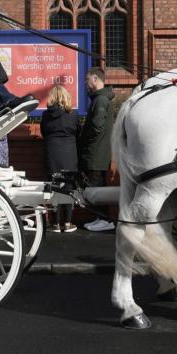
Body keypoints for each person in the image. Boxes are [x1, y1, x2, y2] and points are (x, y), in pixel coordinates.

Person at [79, 67, 116, 231]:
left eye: (87, 79)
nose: (86, 83)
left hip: (95, 153)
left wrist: (84, 140)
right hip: (98, 152)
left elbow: (96, 127)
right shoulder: (100, 99)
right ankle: (100, 218)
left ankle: (105, 220)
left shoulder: (100, 100)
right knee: (97, 186)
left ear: (95, 79)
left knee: (96, 188)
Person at [40, 85, 81, 232]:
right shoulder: (73, 115)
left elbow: (44, 132)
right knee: (68, 187)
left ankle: (55, 223)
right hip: (69, 153)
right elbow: (78, 133)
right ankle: (68, 223)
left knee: (54, 187)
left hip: (52, 153)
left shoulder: (46, 115)